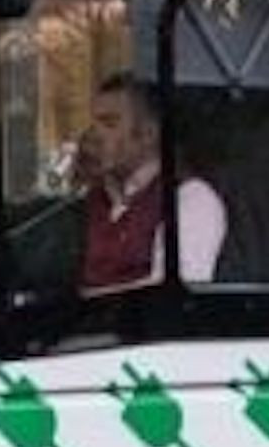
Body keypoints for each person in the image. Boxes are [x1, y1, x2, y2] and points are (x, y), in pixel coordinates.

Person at [71, 74, 229, 293]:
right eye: (93, 123)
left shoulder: (191, 199)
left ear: (148, 133)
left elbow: (170, 294)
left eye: (109, 123)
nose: (93, 135)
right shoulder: (94, 201)